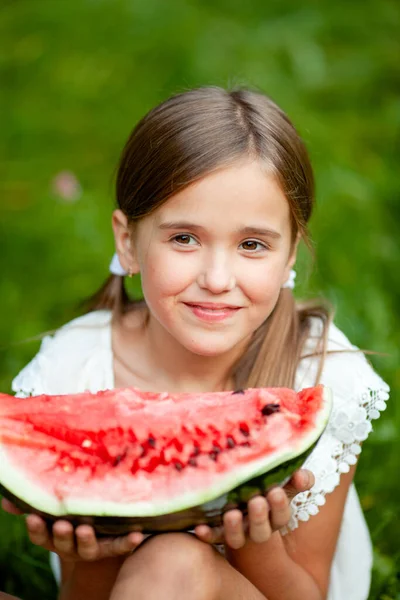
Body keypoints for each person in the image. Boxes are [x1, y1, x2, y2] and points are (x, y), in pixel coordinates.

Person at [2, 86, 389, 600]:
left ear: (291, 253)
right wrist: (90, 553)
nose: (216, 277)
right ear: (128, 242)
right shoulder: (74, 371)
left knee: (175, 560)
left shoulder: (320, 374)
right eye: (184, 238)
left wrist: (254, 540)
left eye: (252, 245)